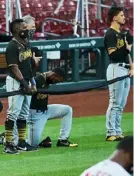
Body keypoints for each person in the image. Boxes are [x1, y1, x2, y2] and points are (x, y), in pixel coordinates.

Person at [4, 19, 37, 154]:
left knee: (23, 113)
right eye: (25, 28)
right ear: (18, 30)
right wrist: (24, 84)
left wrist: (32, 82)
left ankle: (22, 143)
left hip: (27, 80)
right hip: (15, 82)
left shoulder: (26, 43)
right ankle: (8, 144)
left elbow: (28, 66)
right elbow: (14, 68)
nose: (28, 30)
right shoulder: (12, 46)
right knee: (13, 113)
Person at [27, 67, 78, 148]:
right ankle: (5, 138)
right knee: (32, 145)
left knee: (67, 110)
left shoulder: (47, 78)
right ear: (54, 75)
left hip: (46, 110)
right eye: (57, 80)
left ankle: (63, 140)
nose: (56, 83)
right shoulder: (37, 80)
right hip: (35, 114)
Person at [104, 6, 134, 141]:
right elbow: (114, 54)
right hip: (116, 68)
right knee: (115, 102)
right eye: (121, 15)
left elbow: (126, 53)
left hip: (125, 68)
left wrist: (132, 65)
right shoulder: (110, 34)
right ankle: (110, 132)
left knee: (121, 104)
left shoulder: (122, 34)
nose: (124, 17)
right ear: (114, 18)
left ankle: (117, 130)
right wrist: (126, 49)